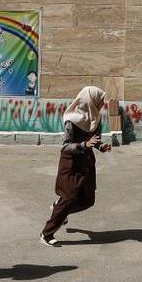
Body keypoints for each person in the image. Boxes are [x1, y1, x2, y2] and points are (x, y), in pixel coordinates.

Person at [40, 86, 111, 247]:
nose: (102, 105)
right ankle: (46, 234)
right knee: (69, 198)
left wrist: (101, 147)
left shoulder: (96, 118)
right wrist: (84, 145)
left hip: (86, 163)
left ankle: (58, 209)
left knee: (88, 200)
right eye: (99, 102)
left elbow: (95, 140)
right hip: (71, 164)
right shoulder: (72, 120)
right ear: (90, 101)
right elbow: (65, 146)